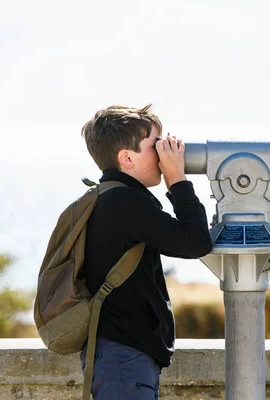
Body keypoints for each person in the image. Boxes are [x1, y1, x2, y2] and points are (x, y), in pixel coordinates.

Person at [79, 104, 213, 399]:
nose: (166, 152)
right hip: (124, 358)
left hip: (119, 357)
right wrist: (177, 178)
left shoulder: (112, 198)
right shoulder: (126, 202)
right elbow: (196, 243)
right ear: (127, 158)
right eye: (156, 145)